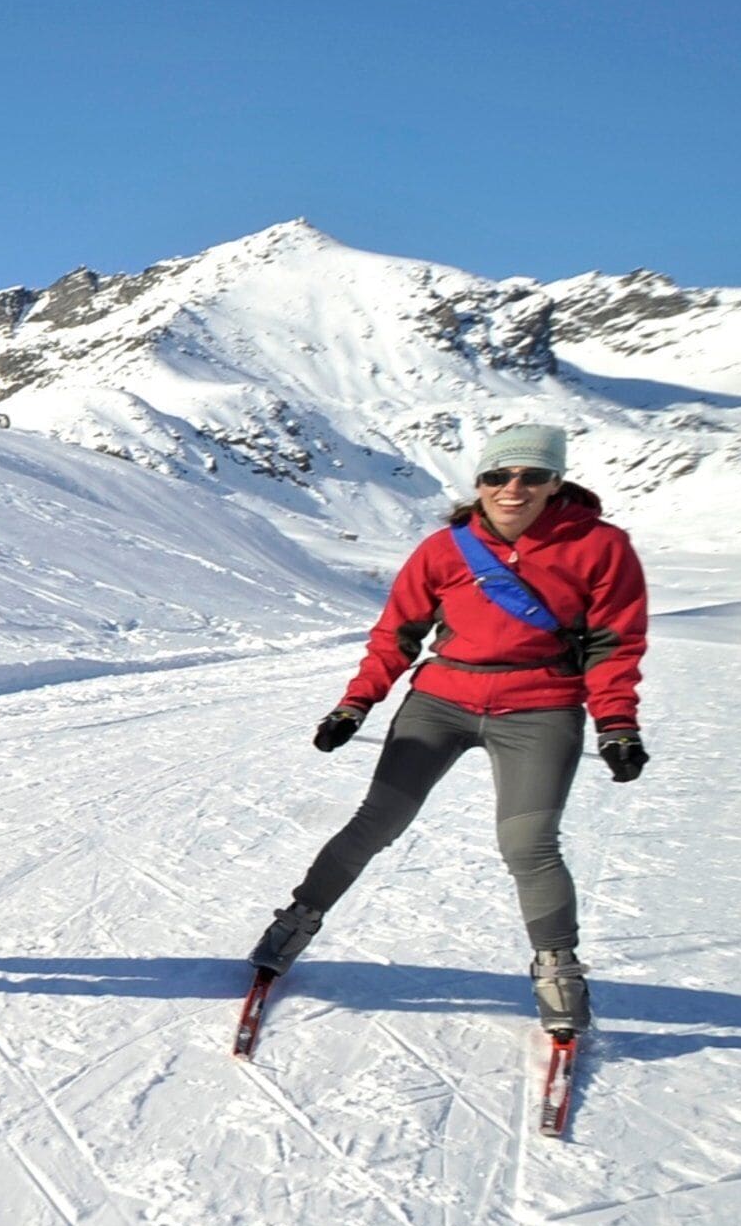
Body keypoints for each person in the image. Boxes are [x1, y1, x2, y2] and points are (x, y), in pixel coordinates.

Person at [247, 424, 651, 1033]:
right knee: (375, 821)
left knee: (529, 845)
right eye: (498, 476)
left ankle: (558, 968)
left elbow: (614, 644)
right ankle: (297, 921)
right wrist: (354, 706)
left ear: (555, 483)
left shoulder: (601, 547)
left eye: (531, 476)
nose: (513, 488)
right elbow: (396, 636)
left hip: (540, 708)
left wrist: (616, 723)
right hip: (442, 701)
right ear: (479, 482)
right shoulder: (444, 549)